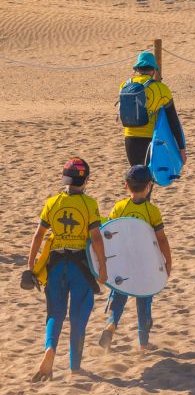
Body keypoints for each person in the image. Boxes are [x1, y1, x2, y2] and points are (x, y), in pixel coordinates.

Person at [26, 158, 107, 382]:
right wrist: (103, 267)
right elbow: (96, 238)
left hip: (55, 266)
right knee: (78, 316)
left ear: (65, 179)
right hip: (81, 267)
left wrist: (30, 266)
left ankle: (50, 349)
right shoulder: (90, 205)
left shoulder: (52, 202)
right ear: (86, 180)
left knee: (55, 313)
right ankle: (75, 366)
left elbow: (38, 236)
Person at [97, 165, 172, 353]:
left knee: (119, 293)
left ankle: (111, 324)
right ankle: (143, 342)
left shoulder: (119, 207)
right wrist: (167, 261)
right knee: (144, 299)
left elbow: (109, 234)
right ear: (149, 186)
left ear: (126, 186)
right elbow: (161, 239)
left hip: (123, 261)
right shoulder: (152, 211)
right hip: (144, 263)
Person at [118, 51, 186, 168]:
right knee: (149, 177)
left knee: (136, 176)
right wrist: (181, 148)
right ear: (154, 70)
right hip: (150, 139)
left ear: (137, 69)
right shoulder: (161, 89)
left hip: (130, 137)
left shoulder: (124, 85)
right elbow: (173, 120)